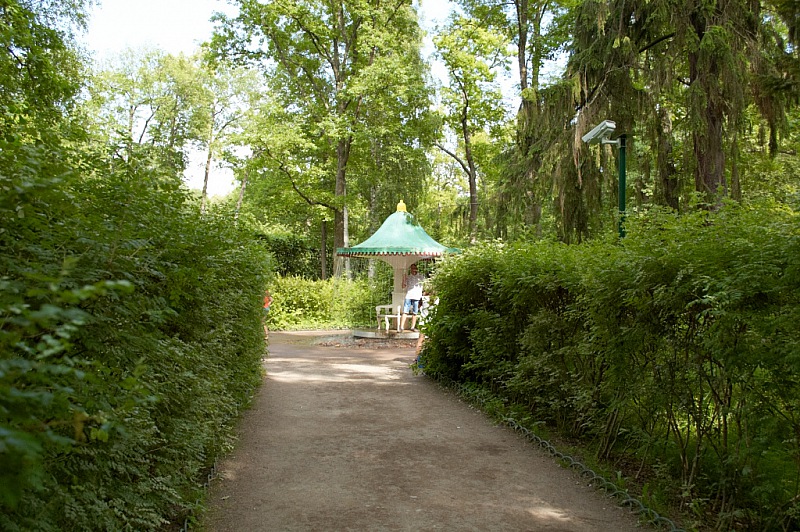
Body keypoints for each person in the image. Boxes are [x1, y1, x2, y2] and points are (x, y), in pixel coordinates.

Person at [400, 263, 424, 332]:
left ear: (416, 268)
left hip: (417, 296)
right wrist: (404, 278)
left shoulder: (421, 277)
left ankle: (412, 327)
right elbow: (403, 286)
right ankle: (401, 327)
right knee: (405, 311)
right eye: (412, 268)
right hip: (409, 296)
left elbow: (424, 285)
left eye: (414, 268)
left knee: (415, 312)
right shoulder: (408, 277)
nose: (413, 270)